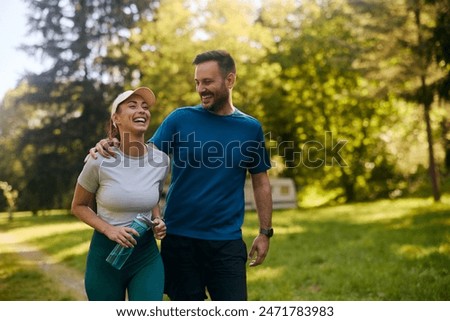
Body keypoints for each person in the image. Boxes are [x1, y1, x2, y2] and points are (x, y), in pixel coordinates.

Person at [92, 50, 273, 301]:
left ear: (230, 81)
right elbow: (141, 158)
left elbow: (261, 181)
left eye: (208, 82)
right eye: (198, 82)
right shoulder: (180, 119)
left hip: (226, 243)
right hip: (180, 242)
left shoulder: (250, 128)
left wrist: (265, 232)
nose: (201, 89)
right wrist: (109, 143)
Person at [72, 87, 169, 301]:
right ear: (116, 118)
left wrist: (158, 220)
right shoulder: (99, 159)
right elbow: (78, 206)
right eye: (132, 106)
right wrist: (110, 230)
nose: (141, 110)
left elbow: (152, 196)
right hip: (105, 257)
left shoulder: (161, 160)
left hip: (145, 256)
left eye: (145, 107)